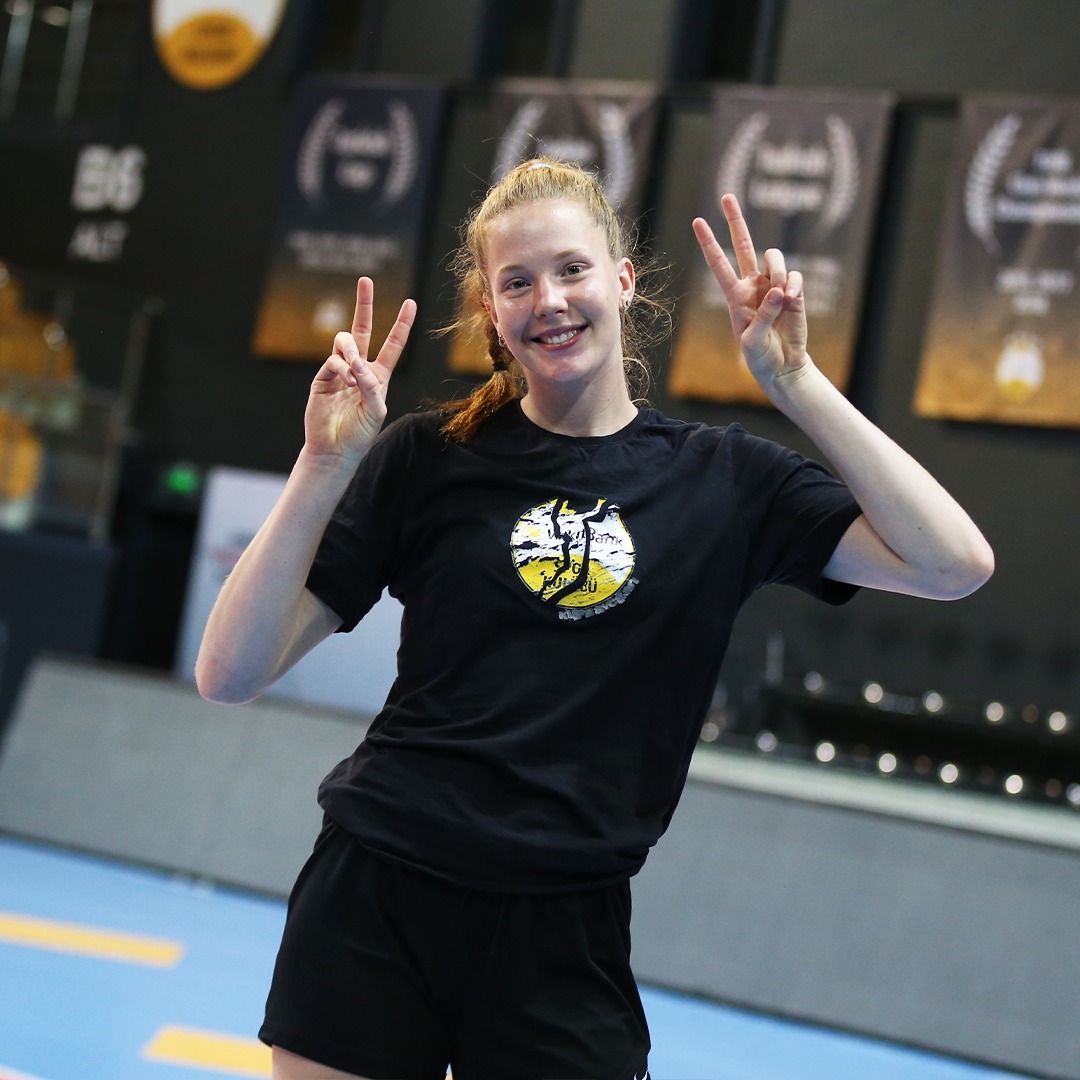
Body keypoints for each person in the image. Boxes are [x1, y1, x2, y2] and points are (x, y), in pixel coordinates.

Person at [196, 158, 993, 1080]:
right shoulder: (430, 457)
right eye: (517, 282)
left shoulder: (723, 481)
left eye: (571, 269)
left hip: (565, 932)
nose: (549, 301)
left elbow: (953, 564)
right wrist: (322, 467)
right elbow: (229, 675)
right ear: (491, 311)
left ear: (622, 280)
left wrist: (796, 381)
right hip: (377, 896)